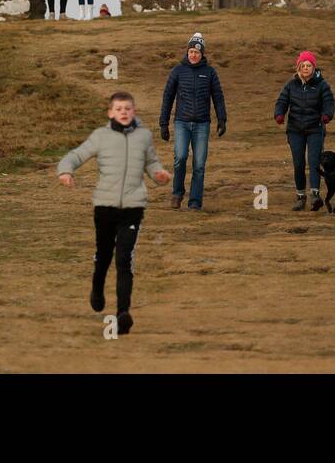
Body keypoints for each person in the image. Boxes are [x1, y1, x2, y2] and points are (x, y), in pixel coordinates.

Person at [57, 91, 170, 336]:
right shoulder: (100, 136)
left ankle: (122, 313)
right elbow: (76, 155)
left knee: (124, 259)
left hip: (133, 207)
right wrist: (66, 171)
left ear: (134, 111)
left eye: (128, 108)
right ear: (110, 113)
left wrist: (159, 174)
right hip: (105, 207)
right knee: (104, 256)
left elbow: (151, 162)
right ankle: (97, 286)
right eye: (119, 109)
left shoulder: (144, 136)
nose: (123, 112)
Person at [158, 32, 227, 211]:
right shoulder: (178, 71)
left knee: (199, 164)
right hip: (182, 122)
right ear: (187, 52)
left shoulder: (210, 72)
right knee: (180, 158)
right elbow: (168, 96)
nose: (193, 55)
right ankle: (177, 193)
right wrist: (163, 124)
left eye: (196, 52)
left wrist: (222, 119)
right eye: (190, 52)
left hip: (202, 124)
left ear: (202, 53)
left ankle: (195, 202)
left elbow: (218, 97)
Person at [274, 50, 335, 211]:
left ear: (314, 68)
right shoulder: (291, 84)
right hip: (295, 130)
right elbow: (282, 100)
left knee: (314, 162)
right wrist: (279, 114)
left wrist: (326, 115)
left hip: (315, 129)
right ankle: (300, 196)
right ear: (298, 67)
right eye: (303, 65)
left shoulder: (322, 85)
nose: (306, 68)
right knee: (299, 163)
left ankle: (315, 195)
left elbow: (329, 102)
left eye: (309, 65)